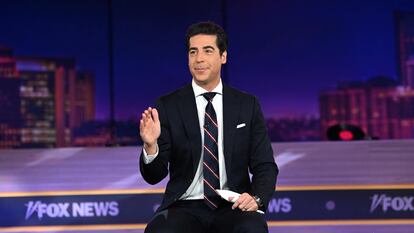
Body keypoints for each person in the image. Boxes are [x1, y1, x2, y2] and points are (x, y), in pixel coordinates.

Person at [139, 21, 278, 233]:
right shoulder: (168, 106)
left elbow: (265, 164)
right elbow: (154, 176)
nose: (199, 59)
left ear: (223, 56)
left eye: (208, 50)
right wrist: (150, 147)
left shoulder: (246, 105)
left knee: (253, 229)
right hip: (184, 206)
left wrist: (257, 198)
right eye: (193, 52)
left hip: (233, 204)